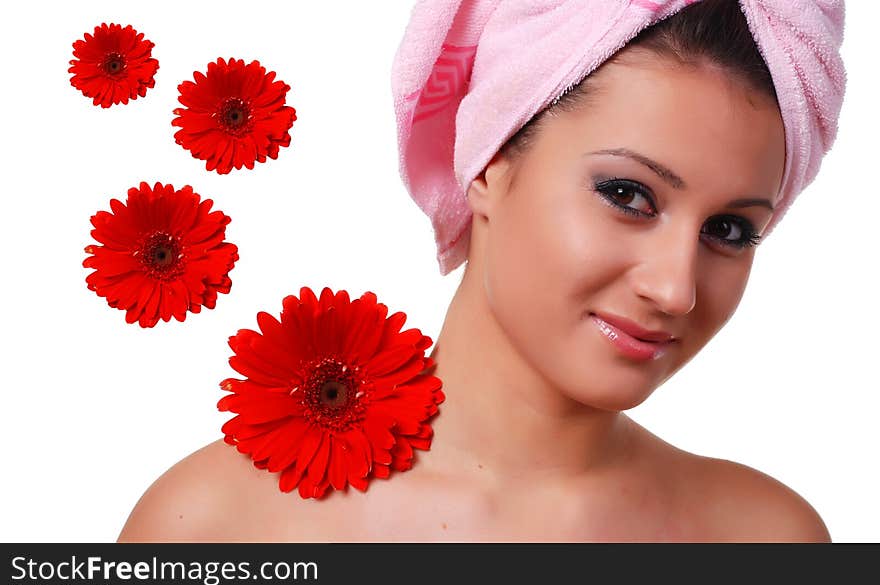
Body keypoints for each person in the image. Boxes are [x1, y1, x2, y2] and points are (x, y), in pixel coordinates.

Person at [118, 0, 844, 542]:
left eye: (730, 230)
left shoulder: (767, 541)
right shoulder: (215, 525)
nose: (675, 288)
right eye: (628, 195)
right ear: (490, 160)